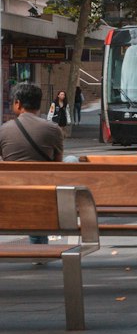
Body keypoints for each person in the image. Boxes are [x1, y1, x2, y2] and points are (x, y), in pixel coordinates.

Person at [0, 80, 64, 245]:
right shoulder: (53, 129)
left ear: (18, 103)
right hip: (43, 192)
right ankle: (39, 249)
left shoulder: (4, 130)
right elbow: (59, 164)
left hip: (10, 191)